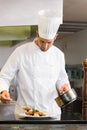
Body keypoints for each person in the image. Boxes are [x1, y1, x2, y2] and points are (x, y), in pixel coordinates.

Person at [0, 9, 71, 120]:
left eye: (49, 42)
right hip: (25, 114)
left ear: (55, 37)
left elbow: (61, 79)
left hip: (52, 113)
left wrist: (64, 86)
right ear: (37, 34)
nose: (45, 46)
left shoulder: (59, 55)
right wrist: (3, 90)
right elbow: (4, 76)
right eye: (42, 41)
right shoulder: (21, 52)